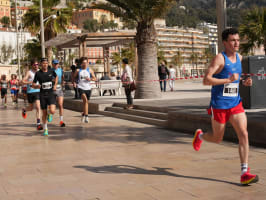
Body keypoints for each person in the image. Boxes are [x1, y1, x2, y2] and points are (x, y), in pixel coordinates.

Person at [192, 28, 258, 185]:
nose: (237, 43)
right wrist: (227, 80)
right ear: (225, 43)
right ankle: (200, 135)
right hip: (219, 105)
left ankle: (244, 173)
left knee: (244, 133)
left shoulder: (239, 57)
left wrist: (243, 82)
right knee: (217, 138)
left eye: (238, 40)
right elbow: (206, 80)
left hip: (235, 103)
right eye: (233, 40)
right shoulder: (219, 60)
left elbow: (236, 78)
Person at [32, 58, 58, 136]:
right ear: (41, 64)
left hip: (50, 93)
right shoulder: (38, 73)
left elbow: (56, 77)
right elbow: (33, 84)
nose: (45, 65)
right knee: (44, 113)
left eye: (46, 63)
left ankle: (50, 114)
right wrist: (37, 86)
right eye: (43, 63)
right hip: (42, 95)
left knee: (52, 111)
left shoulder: (51, 71)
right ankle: (45, 129)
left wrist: (55, 85)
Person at [21, 58, 43, 131]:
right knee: (30, 108)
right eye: (35, 64)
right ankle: (24, 109)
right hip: (30, 92)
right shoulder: (29, 72)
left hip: (38, 91)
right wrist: (29, 82)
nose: (36, 66)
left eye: (37, 64)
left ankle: (38, 124)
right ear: (32, 65)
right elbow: (23, 81)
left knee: (38, 107)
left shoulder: (40, 72)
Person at [74, 57, 96, 123]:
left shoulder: (90, 70)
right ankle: (86, 116)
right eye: (83, 63)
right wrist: (74, 82)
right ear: (81, 64)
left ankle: (83, 114)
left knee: (85, 102)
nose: (85, 64)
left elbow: (95, 78)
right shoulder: (78, 70)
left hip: (88, 88)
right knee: (85, 100)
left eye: (86, 63)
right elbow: (74, 78)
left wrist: (90, 79)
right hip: (81, 87)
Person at [52, 59, 66, 127]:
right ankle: (49, 113)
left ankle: (61, 121)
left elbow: (63, 77)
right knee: (53, 110)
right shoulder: (50, 70)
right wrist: (53, 80)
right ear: (52, 64)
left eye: (57, 63)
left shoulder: (60, 70)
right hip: (52, 89)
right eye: (55, 64)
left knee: (60, 105)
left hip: (59, 88)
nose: (56, 65)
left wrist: (63, 82)